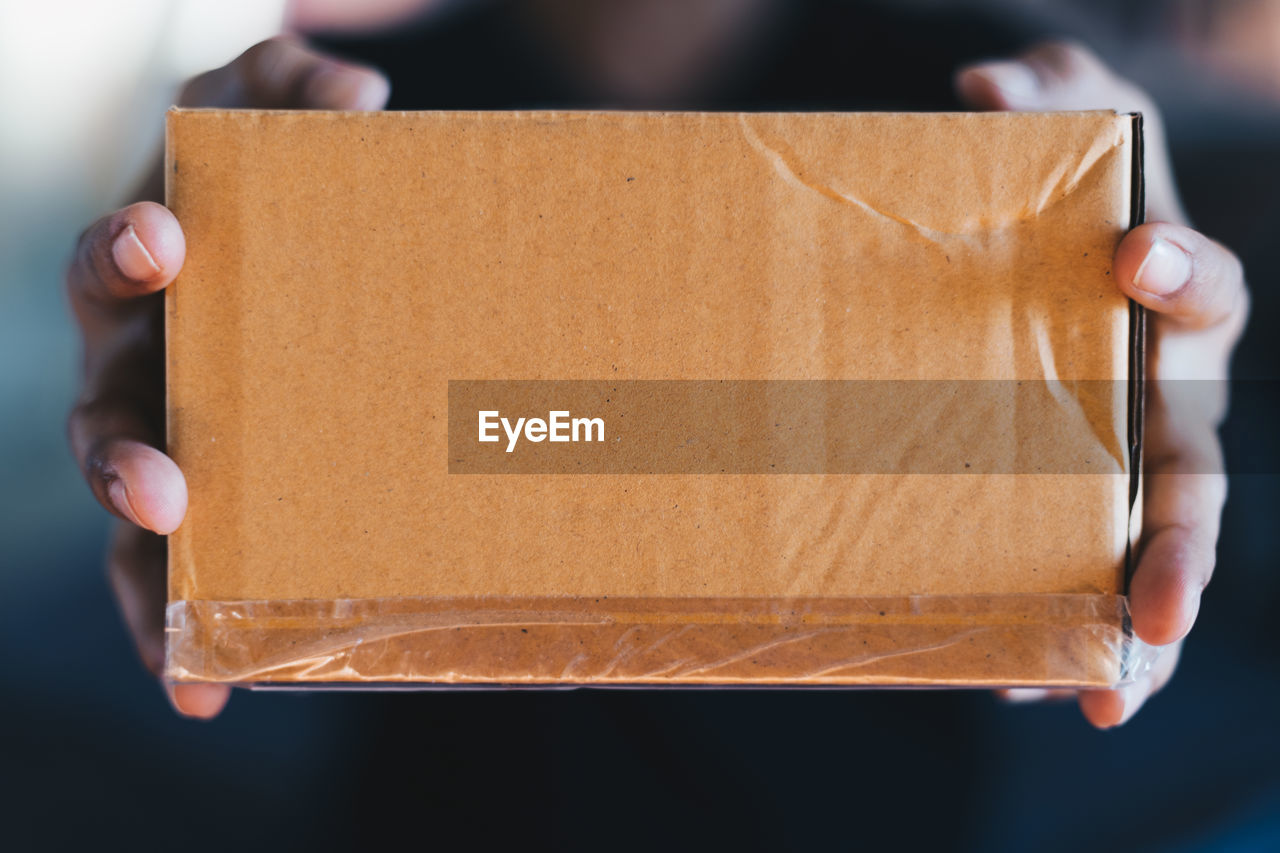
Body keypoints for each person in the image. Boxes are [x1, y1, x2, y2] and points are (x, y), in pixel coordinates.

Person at [65, 0, 1246, 727]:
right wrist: (197, 297)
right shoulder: (349, 120)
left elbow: (1127, 290)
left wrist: (1170, 339)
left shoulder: (987, 110)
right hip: (447, 803)